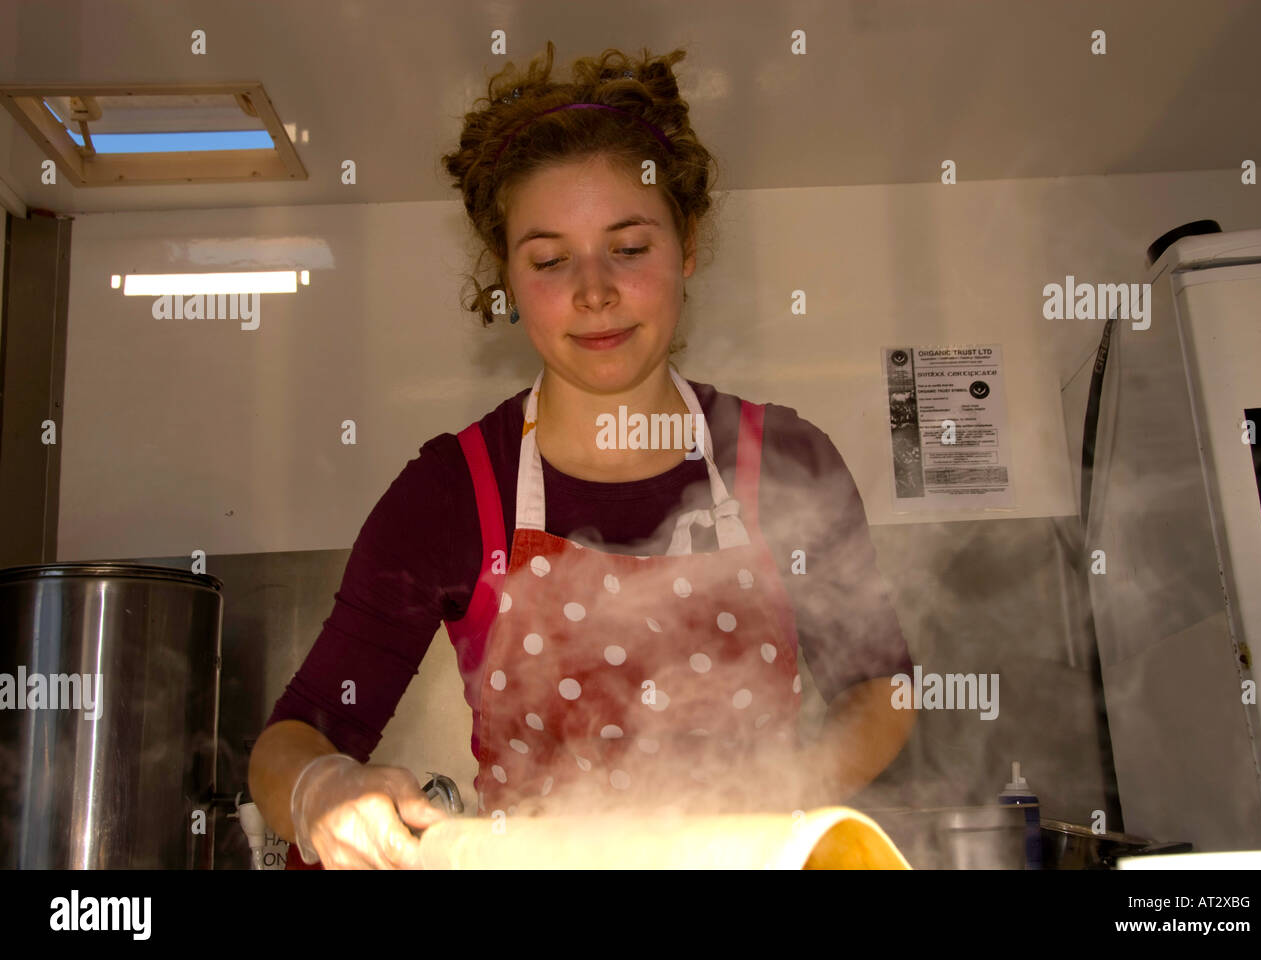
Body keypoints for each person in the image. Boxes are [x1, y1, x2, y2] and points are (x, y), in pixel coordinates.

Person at [249, 41, 915, 870]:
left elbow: (882, 692)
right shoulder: (452, 492)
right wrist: (321, 790)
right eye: (551, 260)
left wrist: (778, 789)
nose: (594, 290)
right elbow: (298, 732)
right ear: (509, 278)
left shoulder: (783, 459)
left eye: (630, 248)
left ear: (689, 247)